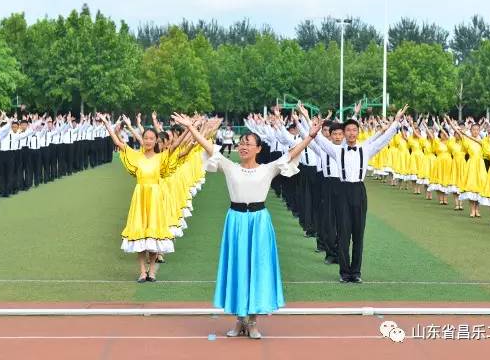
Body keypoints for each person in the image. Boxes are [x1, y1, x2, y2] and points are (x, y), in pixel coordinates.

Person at [172, 112, 321, 340]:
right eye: (241, 143)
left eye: (248, 144)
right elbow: (209, 148)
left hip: (259, 222)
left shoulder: (267, 169)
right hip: (236, 222)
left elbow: (291, 154)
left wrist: (310, 137)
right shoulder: (230, 166)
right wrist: (191, 128)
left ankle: (253, 322)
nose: (243, 147)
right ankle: (239, 320)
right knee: (239, 269)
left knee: (257, 269)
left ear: (258, 149)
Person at [311, 105, 408, 283]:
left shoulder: (365, 149)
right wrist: (313, 127)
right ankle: (344, 272)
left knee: (358, 234)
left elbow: (384, 139)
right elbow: (319, 141)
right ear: (343, 132)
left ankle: (355, 272)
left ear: (358, 132)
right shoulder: (337, 150)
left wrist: (396, 122)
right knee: (343, 232)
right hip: (342, 190)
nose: (351, 133)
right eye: (348, 130)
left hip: (358, 191)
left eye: (354, 130)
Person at [99, 113, 175, 283]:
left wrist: (189, 129)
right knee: (140, 235)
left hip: (155, 198)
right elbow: (119, 143)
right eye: (145, 138)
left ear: (156, 141)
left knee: (154, 235)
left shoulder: (161, 157)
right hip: (140, 197)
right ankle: (142, 271)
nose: (148, 141)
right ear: (142, 139)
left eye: (151, 138)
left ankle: (152, 271)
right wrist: (106, 124)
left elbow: (176, 147)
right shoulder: (136, 156)